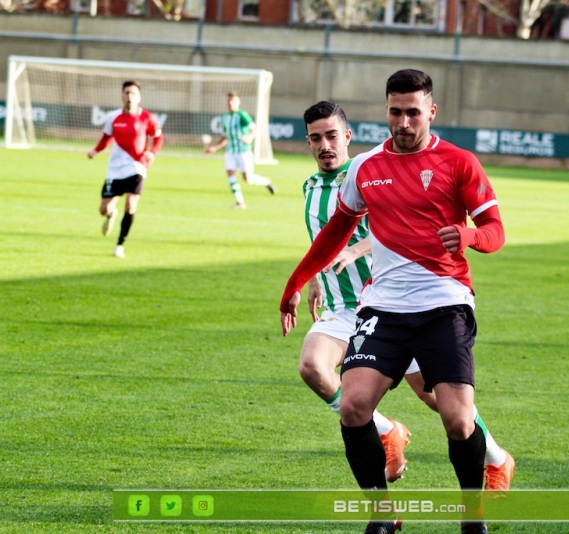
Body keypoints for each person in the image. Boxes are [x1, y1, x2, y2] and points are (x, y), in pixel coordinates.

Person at [281, 71, 507, 534]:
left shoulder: (459, 162)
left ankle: (473, 516)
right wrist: (295, 283)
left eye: (413, 112)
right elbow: (335, 233)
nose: (403, 122)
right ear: (386, 110)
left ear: (431, 112)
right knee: (353, 406)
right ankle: (382, 515)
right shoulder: (365, 168)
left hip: (445, 303)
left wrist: (468, 235)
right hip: (382, 308)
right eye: (395, 112)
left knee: (459, 420)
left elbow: (496, 232)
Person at [88, 80, 164, 259]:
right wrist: (95, 151)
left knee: (131, 204)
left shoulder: (147, 117)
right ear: (122, 95)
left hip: (137, 167)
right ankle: (111, 213)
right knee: (103, 209)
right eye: (127, 93)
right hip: (114, 170)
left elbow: (159, 138)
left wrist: (152, 153)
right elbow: (106, 139)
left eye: (133, 94)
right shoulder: (113, 117)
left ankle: (120, 245)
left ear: (139, 97)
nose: (130, 97)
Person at [204, 91, 275, 208]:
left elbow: (254, 129)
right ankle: (240, 202)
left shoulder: (242, 115)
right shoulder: (225, 118)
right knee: (230, 173)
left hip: (243, 151)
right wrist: (214, 148)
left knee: (248, 179)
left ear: (238, 102)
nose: (230, 102)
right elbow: (224, 137)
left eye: (233, 100)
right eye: (229, 100)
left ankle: (266, 181)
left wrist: (249, 138)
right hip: (230, 152)